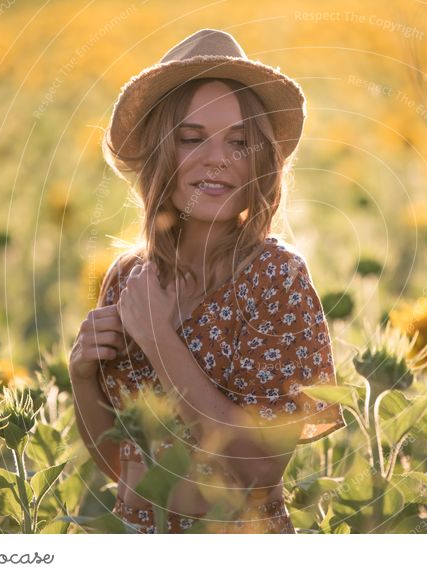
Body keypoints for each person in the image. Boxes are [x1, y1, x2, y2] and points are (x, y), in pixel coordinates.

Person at [68, 28, 346, 534]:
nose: (217, 157)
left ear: (260, 161)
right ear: (159, 155)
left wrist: (158, 339)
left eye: (239, 142)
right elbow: (122, 469)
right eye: (192, 138)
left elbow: (256, 471)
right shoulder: (129, 279)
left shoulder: (275, 279)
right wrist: (82, 376)